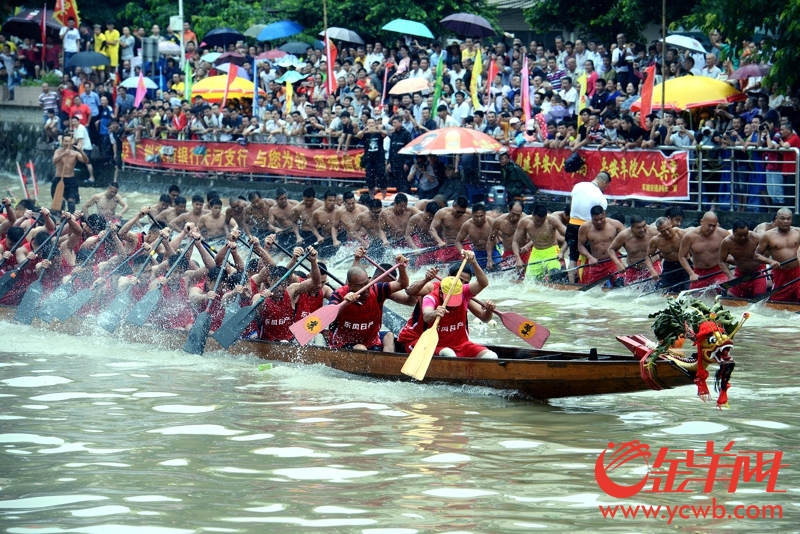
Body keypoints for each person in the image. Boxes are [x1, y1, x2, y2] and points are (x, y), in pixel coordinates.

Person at [406, 250, 497, 358]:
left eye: (465, 283)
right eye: (459, 280)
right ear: (448, 277)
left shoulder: (463, 291)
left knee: (492, 357)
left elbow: (483, 285)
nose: (461, 285)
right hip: (427, 342)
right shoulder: (431, 291)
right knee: (449, 354)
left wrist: (473, 262)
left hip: (460, 345)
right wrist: (434, 312)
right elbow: (411, 293)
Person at [327, 254, 409, 352]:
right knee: (361, 348)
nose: (365, 289)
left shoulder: (377, 289)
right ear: (350, 285)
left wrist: (402, 268)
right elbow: (329, 316)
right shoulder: (338, 294)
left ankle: (385, 361)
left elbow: (402, 284)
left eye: (366, 283)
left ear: (370, 279)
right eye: (359, 286)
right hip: (343, 342)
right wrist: (345, 304)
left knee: (389, 336)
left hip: (371, 340)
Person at [566, 172, 611, 282]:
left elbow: (572, 204)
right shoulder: (600, 197)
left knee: (573, 257)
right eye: (606, 186)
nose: (605, 189)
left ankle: (571, 283)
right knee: (593, 257)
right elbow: (601, 218)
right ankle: (589, 281)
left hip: (572, 225)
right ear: (604, 182)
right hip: (587, 228)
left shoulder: (578, 186)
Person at [755, 208, 800, 302]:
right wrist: (770, 261)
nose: (786, 221)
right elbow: (757, 255)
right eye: (782, 218)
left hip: (797, 272)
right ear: (776, 219)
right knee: (776, 303)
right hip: (780, 274)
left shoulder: (798, 232)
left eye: (788, 219)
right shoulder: (767, 235)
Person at [678, 212, 730, 289]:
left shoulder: (723, 234)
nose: (711, 228)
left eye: (714, 226)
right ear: (701, 222)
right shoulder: (689, 236)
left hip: (718, 271)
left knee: (724, 290)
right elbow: (681, 256)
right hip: (699, 273)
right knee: (694, 295)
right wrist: (691, 273)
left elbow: (735, 248)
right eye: (709, 225)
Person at [718, 220, 768, 298]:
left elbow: (769, 250)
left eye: (745, 234)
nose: (743, 238)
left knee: (759, 297)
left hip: (758, 272)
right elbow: (721, 261)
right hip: (740, 274)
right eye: (740, 235)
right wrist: (730, 276)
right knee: (729, 298)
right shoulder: (727, 243)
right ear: (733, 232)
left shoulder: (756, 238)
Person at [513, 204, 565, 279]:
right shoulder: (524, 222)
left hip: (552, 251)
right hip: (536, 252)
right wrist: (518, 258)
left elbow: (569, 236)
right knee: (530, 281)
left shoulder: (552, 220)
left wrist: (562, 252)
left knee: (555, 274)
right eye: (537, 220)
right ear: (533, 215)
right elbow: (515, 241)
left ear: (546, 216)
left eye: (542, 221)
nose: (539, 223)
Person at [577, 206, 625, 285]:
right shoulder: (585, 227)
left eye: (601, 219)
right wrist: (590, 257)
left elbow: (628, 239)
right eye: (595, 220)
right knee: (592, 289)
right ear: (591, 217)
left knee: (619, 284)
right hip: (596, 263)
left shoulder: (615, 224)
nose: (599, 222)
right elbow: (580, 246)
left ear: (604, 214)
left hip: (613, 261)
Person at [608, 214, 659, 285]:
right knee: (627, 290)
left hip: (653, 266)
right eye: (638, 228)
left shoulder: (654, 232)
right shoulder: (624, 235)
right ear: (632, 228)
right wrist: (618, 263)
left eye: (644, 226)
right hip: (633, 268)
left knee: (657, 287)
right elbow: (611, 249)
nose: (642, 230)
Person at [645, 217, 688, 291]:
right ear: (658, 230)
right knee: (664, 291)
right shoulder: (656, 240)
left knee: (687, 289)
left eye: (668, 229)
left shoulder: (681, 233)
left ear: (670, 224)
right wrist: (652, 271)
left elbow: (696, 248)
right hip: (669, 266)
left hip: (685, 264)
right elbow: (648, 256)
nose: (667, 233)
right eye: (663, 231)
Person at [51, 133, 88, 213]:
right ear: (62, 142)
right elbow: (54, 161)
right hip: (59, 179)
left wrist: (81, 150)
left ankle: (71, 218)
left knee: (71, 203)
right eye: (65, 141)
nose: (67, 143)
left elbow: (86, 161)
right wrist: (64, 154)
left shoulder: (75, 154)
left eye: (68, 141)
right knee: (61, 203)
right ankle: (60, 217)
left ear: (71, 142)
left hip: (71, 180)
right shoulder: (58, 151)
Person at [454, 204, 498, 269]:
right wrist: (463, 252)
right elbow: (457, 242)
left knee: (499, 269)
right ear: (472, 215)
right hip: (477, 252)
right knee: (473, 272)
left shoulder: (491, 222)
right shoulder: (467, 225)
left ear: (485, 214)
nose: (479, 219)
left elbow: (503, 235)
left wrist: (490, 258)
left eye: (481, 216)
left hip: (493, 251)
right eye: (476, 216)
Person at [430, 196, 472, 262]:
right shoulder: (443, 213)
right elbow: (432, 228)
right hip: (448, 245)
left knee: (467, 264)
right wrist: (439, 241)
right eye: (458, 212)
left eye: (463, 212)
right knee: (444, 265)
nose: (460, 214)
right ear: (454, 206)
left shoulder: (470, 214)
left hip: (464, 245)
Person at [489, 201, 526, 271]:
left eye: (518, 215)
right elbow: (491, 239)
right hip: (508, 253)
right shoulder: (499, 221)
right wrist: (489, 259)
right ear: (509, 210)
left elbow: (535, 237)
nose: (515, 217)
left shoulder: (525, 220)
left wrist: (527, 246)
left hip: (523, 253)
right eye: (513, 214)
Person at [356, 118, 387, 199]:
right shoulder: (365, 133)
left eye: (372, 123)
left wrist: (379, 130)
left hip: (379, 158)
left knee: (382, 177)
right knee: (370, 179)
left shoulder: (379, 133)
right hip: (369, 159)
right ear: (366, 124)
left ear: (375, 123)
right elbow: (358, 135)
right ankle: (371, 197)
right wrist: (364, 130)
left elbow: (386, 134)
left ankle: (384, 196)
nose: (371, 124)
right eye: (369, 123)